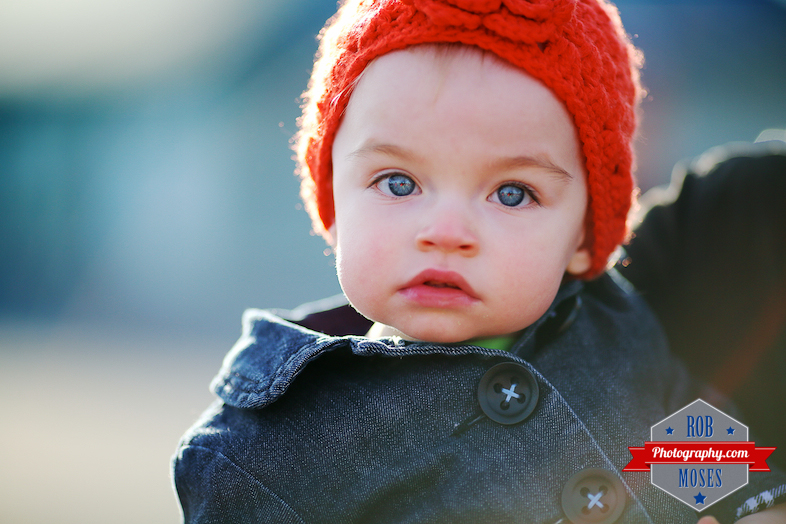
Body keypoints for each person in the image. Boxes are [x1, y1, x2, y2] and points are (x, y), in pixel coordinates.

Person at [172, 0, 786, 522]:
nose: (445, 232)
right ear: (334, 198)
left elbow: (693, 451)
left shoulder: (619, 332)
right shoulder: (269, 450)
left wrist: (744, 501)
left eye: (512, 193)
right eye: (398, 182)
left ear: (581, 236)